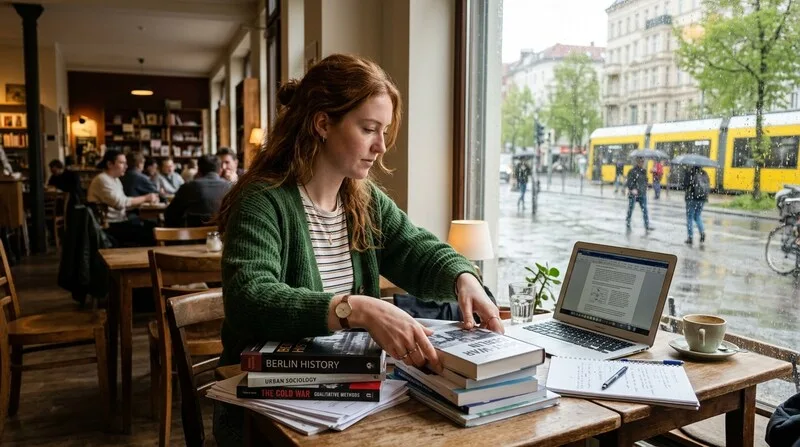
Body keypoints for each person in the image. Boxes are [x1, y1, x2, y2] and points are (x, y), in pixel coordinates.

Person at [212, 54, 503, 445]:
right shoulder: (262, 200)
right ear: (322, 124)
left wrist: (462, 277)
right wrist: (356, 309)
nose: (381, 146)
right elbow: (250, 299)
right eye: (369, 129)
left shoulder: (362, 200)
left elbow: (417, 247)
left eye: (384, 132)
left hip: (349, 404)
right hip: (268, 417)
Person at [87, 149, 159, 246]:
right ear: (110, 164)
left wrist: (144, 202)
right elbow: (120, 203)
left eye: (125, 163)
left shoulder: (115, 180)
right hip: (108, 226)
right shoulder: (102, 179)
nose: (126, 166)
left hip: (119, 221)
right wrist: (146, 198)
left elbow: (124, 204)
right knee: (151, 232)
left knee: (152, 226)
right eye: (121, 163)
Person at [165, 155, 231, 227]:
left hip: (193, 236)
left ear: (199, 170)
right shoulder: (229, 187)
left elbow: (169, 214)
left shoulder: (188, 187)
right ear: (220, 170)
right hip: (222, 235)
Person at [625, 157, 654, 232]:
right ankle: (628, 221)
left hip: (642, 193)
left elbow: (645, 181)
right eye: (641, 162)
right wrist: (632, 189)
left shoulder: (644, 171)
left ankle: (647, 225)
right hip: (634, 194)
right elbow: (629, 181)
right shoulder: (632, 171)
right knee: (631, 209)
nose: (642, 163)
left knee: (645, 210)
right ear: (637, 162)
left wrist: (648, 185)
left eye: (643, 162)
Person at [683, 165, 709, 245]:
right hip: (702, 198)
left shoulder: (690, 173)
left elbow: (685, 185)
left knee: (690, 217)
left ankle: (690, 237)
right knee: (697, 216)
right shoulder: (704, 173)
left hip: (691, 198)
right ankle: (702, 232)